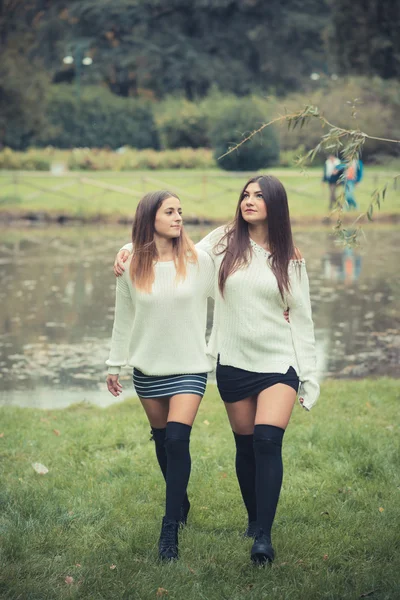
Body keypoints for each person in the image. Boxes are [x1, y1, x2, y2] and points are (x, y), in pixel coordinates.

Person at [114, 176, 319, 566]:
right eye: (245, 194)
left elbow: (303, 317)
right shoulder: (224, 241)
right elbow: (172, 249)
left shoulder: (290, 255)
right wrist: (127, 251)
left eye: (259, 196)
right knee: (245, 445)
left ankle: (263, 536)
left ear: (276, 205)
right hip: (233, 362)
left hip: (280, 362)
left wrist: (308, 374)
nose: (249, 200)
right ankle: (253, 518)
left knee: (266, 441)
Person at [106, 190, 215, 561]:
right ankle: (180, 500)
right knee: (161, 439)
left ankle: (170, 529)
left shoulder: (199, 261)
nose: (178, 217)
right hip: (148, 369)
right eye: (170, 211)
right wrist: (114, 364)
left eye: (181, 211)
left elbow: (236, 288)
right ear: (150, 217)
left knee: (176, 441)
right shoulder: (132, 264)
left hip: (190, 366)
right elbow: (123, 318)